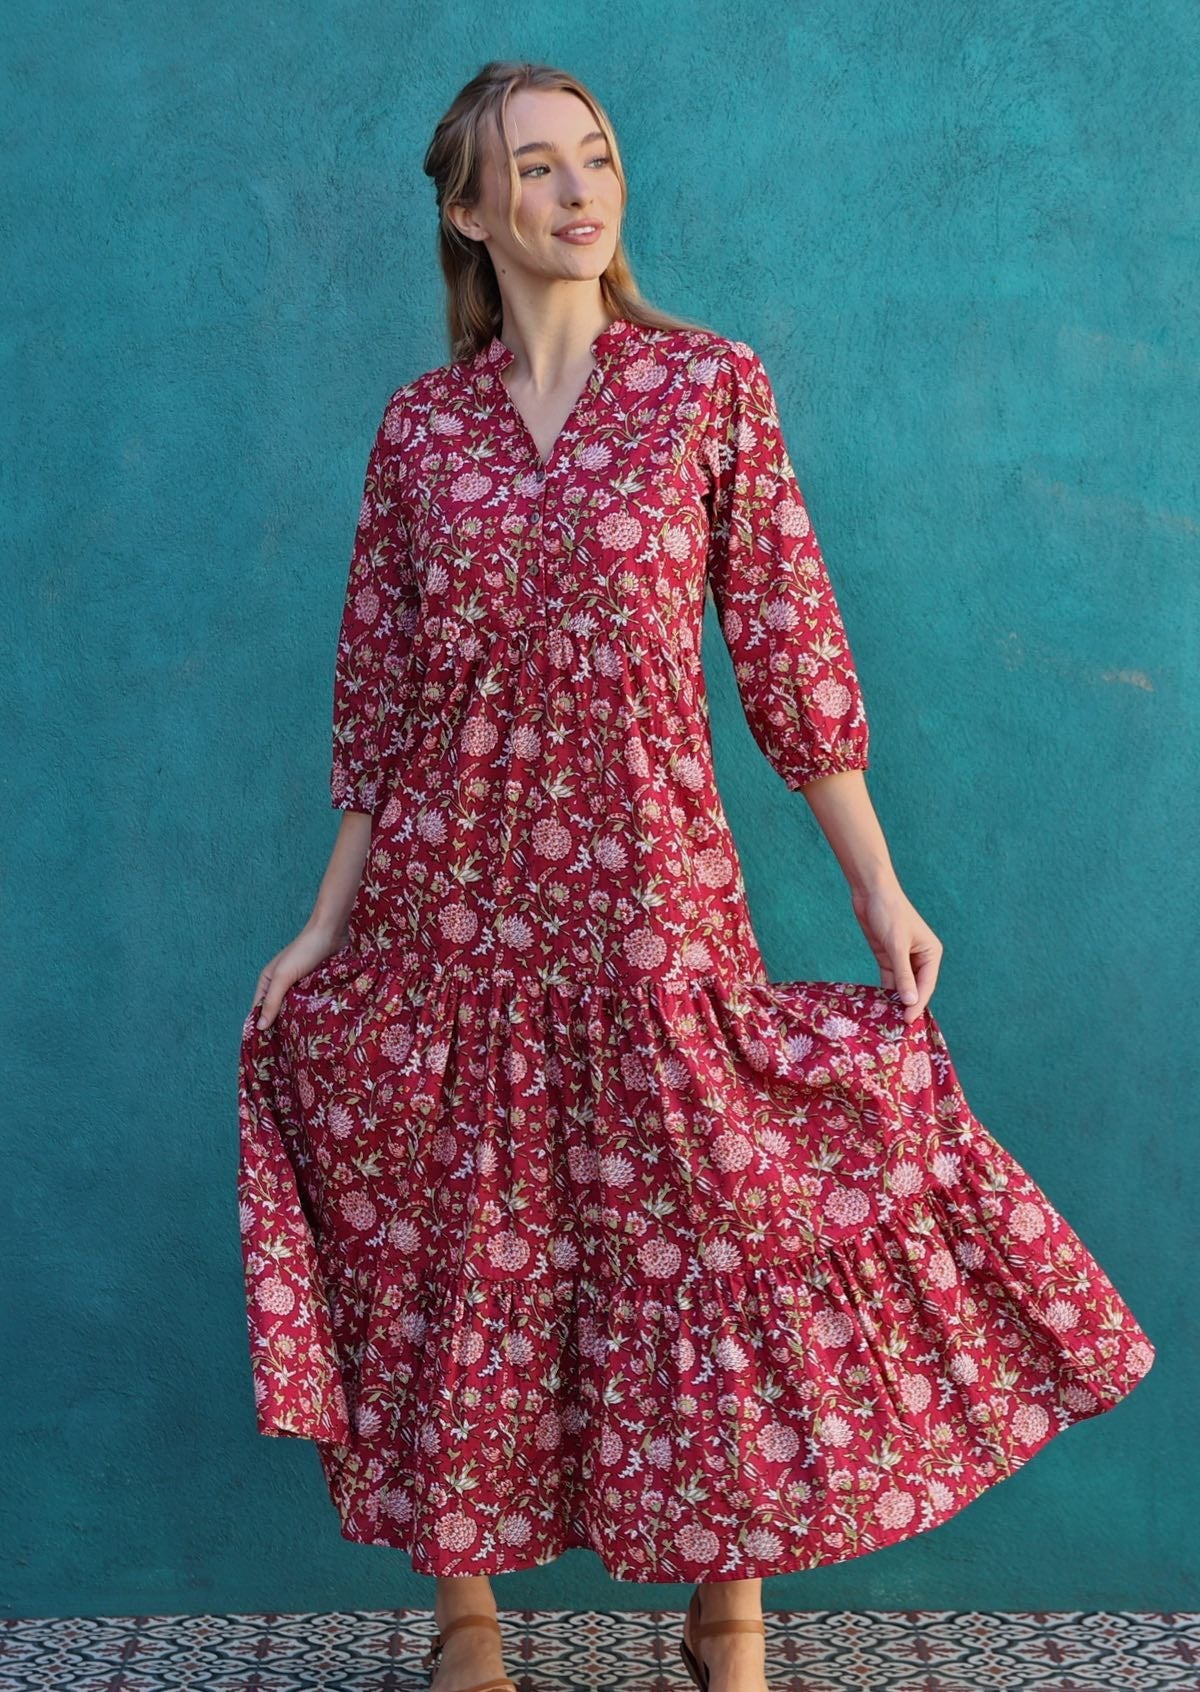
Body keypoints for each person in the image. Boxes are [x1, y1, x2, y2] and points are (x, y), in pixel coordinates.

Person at [236, 59, 1157, 1692]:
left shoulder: (705, 388)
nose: (581, 192)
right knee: (474, 1233)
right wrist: (324, 924)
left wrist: (881, 886)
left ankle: (725, 1610)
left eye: (596, 159)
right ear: (471, 211)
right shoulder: (421, 432)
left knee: (702, 1227)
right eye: (536, 171)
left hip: (657, 881)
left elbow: (790, 652)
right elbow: (375, 697)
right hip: (456, 901)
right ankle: (469, 1620)